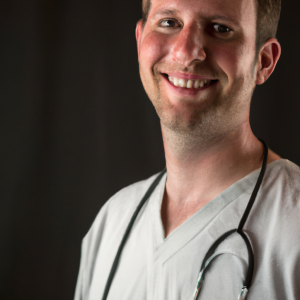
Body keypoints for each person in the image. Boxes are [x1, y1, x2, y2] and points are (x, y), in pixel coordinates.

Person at [74, 0, 300, 299]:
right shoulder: (112, 222)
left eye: (221, 29)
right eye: (169, 22)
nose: (186, 51)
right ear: (141, 41)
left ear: (264, 61)